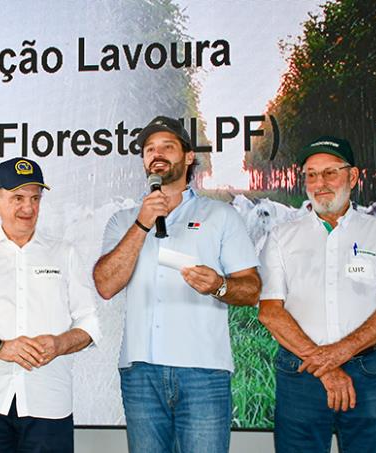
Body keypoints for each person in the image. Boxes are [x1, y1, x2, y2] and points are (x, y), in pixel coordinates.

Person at [93, 116, 261, 453]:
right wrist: (142, 224)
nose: (156, 154)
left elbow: (252, 289)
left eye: (167, 147)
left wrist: (219, 285)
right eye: (149, 149)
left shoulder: (221, 216)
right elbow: (106, 285)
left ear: (187, 157)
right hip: (141, 373)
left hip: (203, 372)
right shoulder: (124, 219)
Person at [258, 136, 376, 452]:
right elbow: (270, 311)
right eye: (311, 174)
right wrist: (327, 365)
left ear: (353, 176)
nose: (320, 183)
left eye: (330, 172)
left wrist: (338, 354)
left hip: (367, 374)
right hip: (301, 374)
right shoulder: (281, 237)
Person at [0, 157, 101, 453]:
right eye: (17, 198)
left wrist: (59, 343)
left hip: (49, 403)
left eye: (34, 198)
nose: (27, 208)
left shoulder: (63, 252)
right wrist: (2, 348)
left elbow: (89, 325)